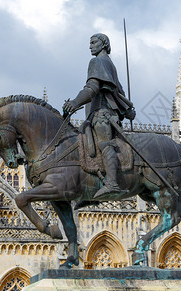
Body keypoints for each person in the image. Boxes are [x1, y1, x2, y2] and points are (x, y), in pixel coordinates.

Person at [63, 33, 135, 199]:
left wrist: (74, 102)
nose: (90, 46)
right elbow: (120, 92)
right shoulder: (109, 64)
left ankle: (112, 183)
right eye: (90, 43)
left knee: (104, 144)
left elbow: (92, 88)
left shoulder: (97, 62)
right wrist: (127, 109)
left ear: (103, 44)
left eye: (93, 42)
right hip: (107, 113)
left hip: (103, 113)